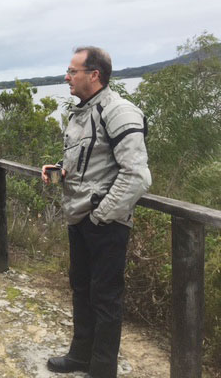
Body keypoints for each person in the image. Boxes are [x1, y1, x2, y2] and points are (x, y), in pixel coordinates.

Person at [41, 47, 151, 378]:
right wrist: (60, 167)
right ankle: (80, 356)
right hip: (81, 218)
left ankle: (102, 370)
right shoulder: (83, 112)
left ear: (94, 75)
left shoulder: (119, 112)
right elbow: (93, 161)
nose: (66, 77)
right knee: (81, 289)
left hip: (105, 224)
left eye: (72, 71)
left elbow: (137, 175)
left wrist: (101, 215)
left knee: (104, 298)